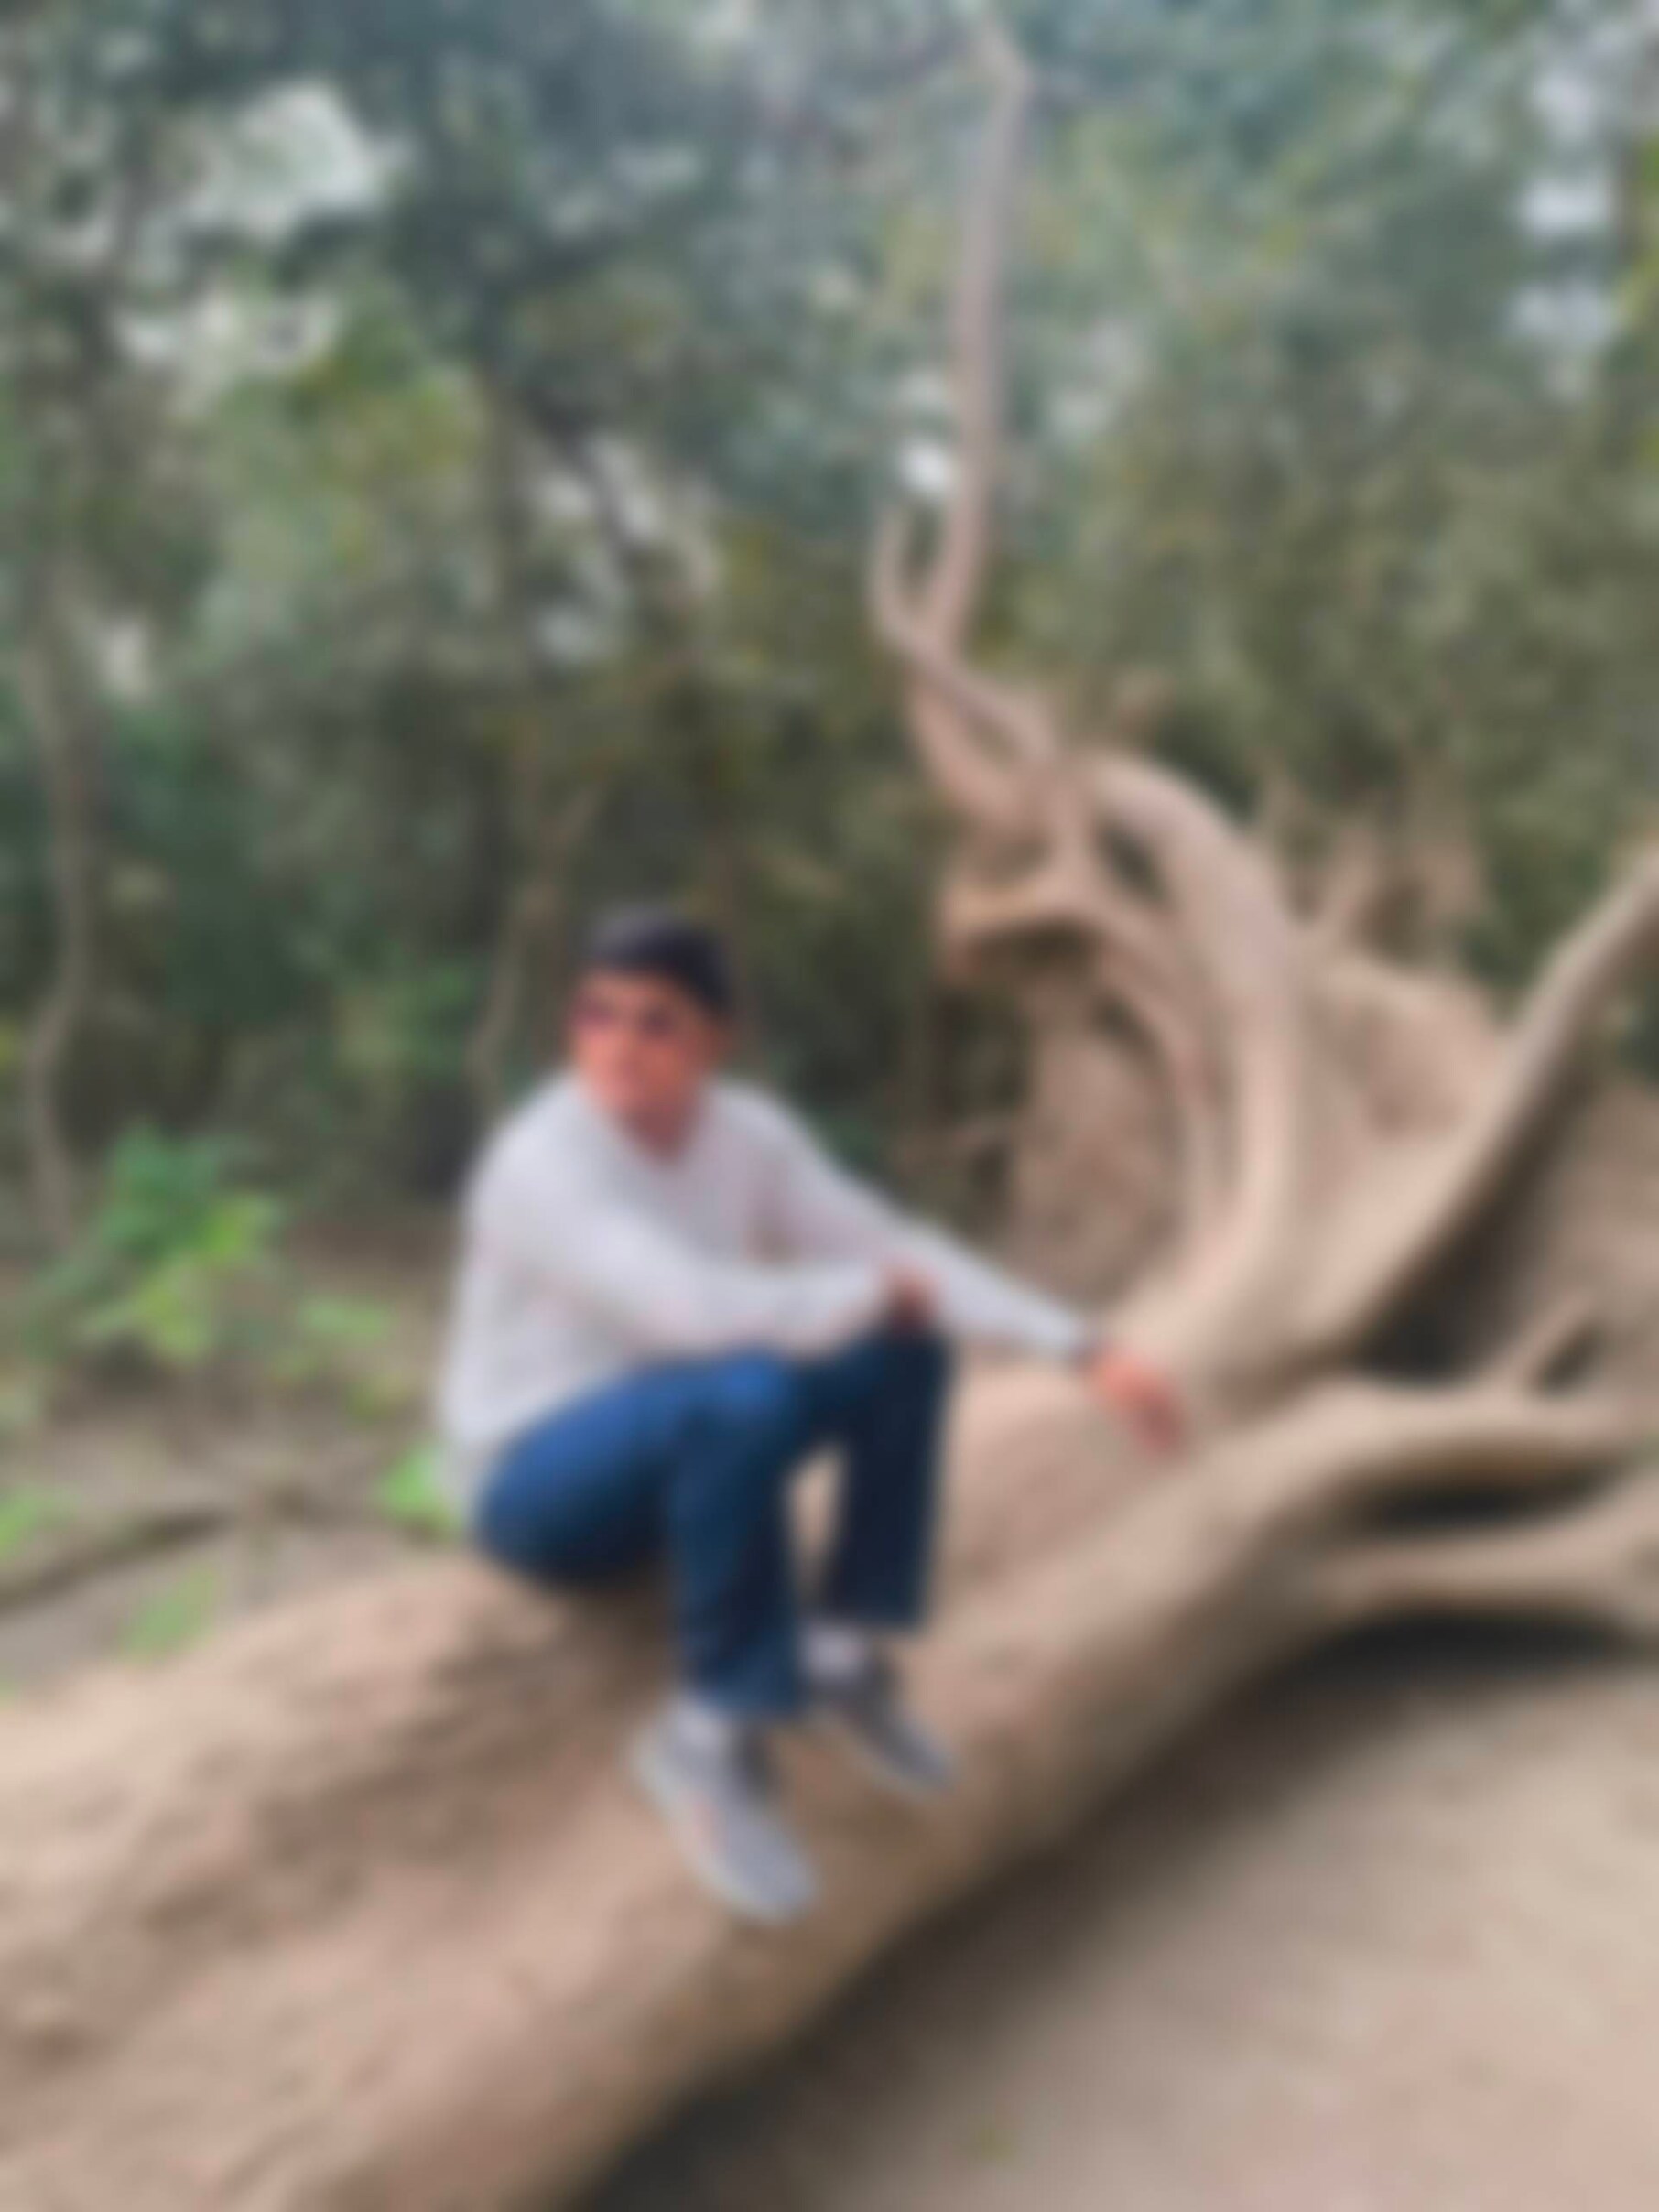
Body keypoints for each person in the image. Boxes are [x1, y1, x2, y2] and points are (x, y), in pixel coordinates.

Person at [436, 905, 1185, 1925]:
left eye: (657, 1021)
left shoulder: (746, 1134)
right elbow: (688, 1311)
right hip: (533, 1479)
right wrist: (867, 1292)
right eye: (596, 1014)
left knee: (901, 1351)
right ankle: (707, 1732)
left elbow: (888, 1246)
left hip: (675, 1438)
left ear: (716, 1040)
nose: (618, 1044)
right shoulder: (543, 1161)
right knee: (750, 1387)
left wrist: (1083, 1348)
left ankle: (835, 1649)